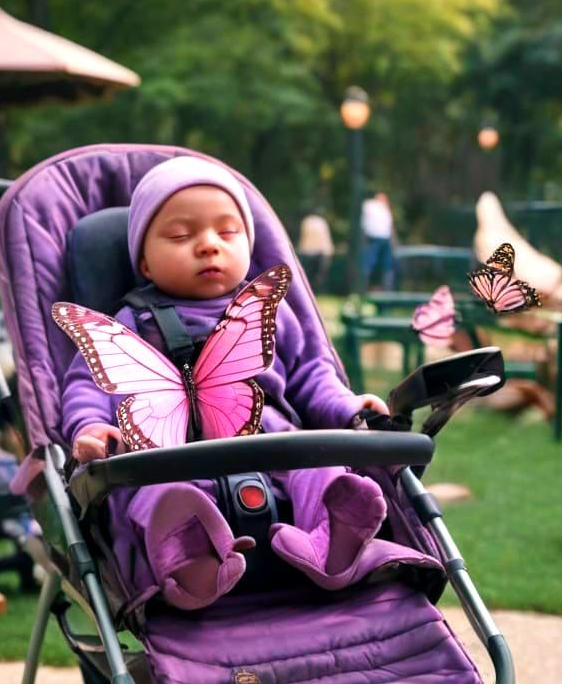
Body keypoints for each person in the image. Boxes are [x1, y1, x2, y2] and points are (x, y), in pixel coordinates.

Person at [61, 157, 440, 614]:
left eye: (227, 232)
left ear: (249, 244)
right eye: (180, 236)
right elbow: (87, 383)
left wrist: (347, 407)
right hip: (172, 457)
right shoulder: (127, 324)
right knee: (155, 494)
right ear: (144, 262)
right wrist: (90, 427)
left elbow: (311, 375)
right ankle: (189, 564)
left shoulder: (269, 312)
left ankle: (330, 542)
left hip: (275, 449)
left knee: (321, 469)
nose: (209, 245)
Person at [361, 191, 396, 291]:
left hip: (380, 237)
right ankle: (367, 286)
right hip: (378, 237)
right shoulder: (373, 206)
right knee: (375, 262)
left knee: (377, 262)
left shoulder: (373, 206)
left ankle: (380, 287)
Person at [297, 210, 334, 293]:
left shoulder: (307, 221)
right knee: (316, 276)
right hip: (316, 251)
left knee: (307, 276)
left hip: (308, 251)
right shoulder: (321, 222)